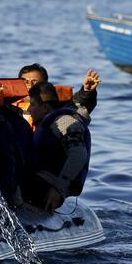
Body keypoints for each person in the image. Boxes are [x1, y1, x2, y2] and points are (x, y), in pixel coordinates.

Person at [25, 81, 93, 214]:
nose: (28, 110)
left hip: (48, 186)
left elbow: (79, 154)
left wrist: (58, 188)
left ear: (45, 108)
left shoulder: (65, 122)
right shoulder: (49, 122)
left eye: (32, 105)